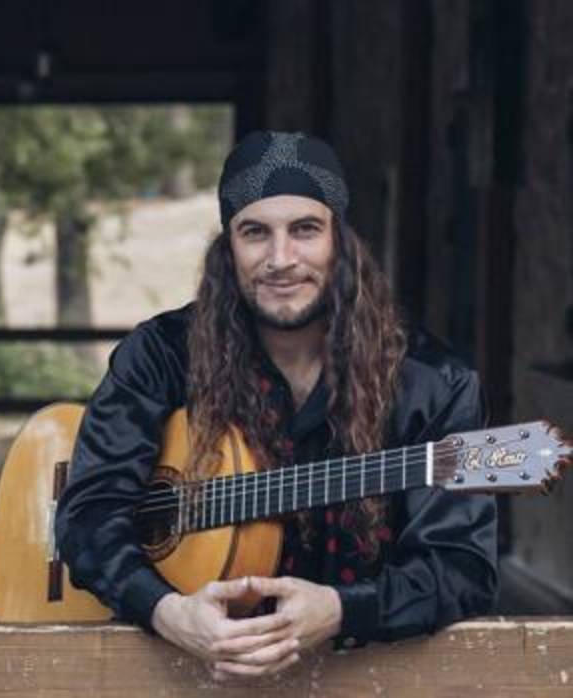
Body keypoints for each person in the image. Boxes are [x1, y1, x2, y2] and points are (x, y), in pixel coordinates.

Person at [55, 131, 496, 681]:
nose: (281, 258)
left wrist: (342, 609)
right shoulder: (161, 356)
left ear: (341, 241)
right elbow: (88, 514)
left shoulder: (433, 383)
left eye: (305, 230)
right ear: (227, 247)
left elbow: (462, 568)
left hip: (366, 677)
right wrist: (167, 612)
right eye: (255, 233)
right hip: (176, 673)